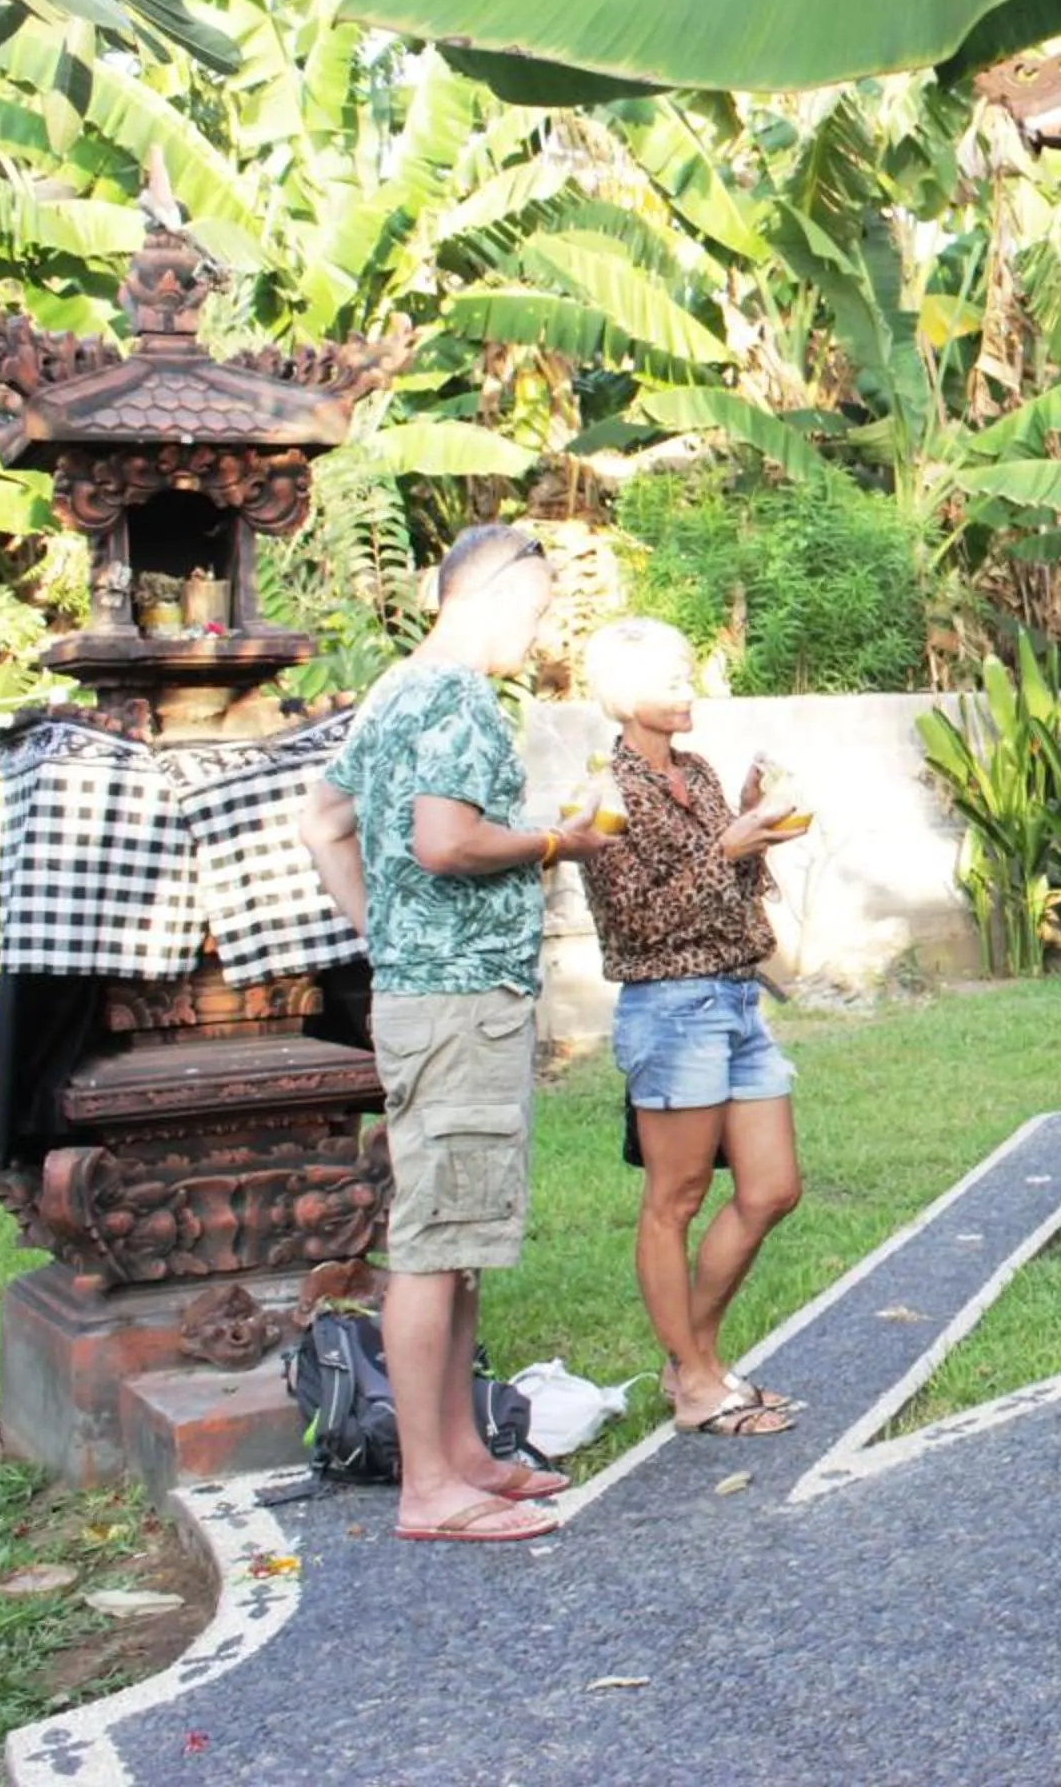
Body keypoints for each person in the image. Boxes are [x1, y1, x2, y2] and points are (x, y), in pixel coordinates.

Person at [297, 524, 611, 1544]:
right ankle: (429, 1487)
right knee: (433, 1245)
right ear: (482, 597)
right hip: (462, 998)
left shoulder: (392, 689)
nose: (539, 628)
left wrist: (380, 934)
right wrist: (563, 840)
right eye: (532, 609)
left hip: (424, 994)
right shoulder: (458, 692)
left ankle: (467, 1451)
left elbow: (324, 822)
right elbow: (446, 840)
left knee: (459, 1233)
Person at [576, 618, 811, 1438]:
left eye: (688, 676)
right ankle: (697, 1386)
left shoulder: (699, 773)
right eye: (668, 680)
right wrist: (730, 844)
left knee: (773, 1187)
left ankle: (694, 1360)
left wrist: (751, 827)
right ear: (622, 694)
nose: (687, 691)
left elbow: (723, 884)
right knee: (674, 1199)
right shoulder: (608, 789)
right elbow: (637, 921)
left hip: (737, 999)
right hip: (670, 1007)